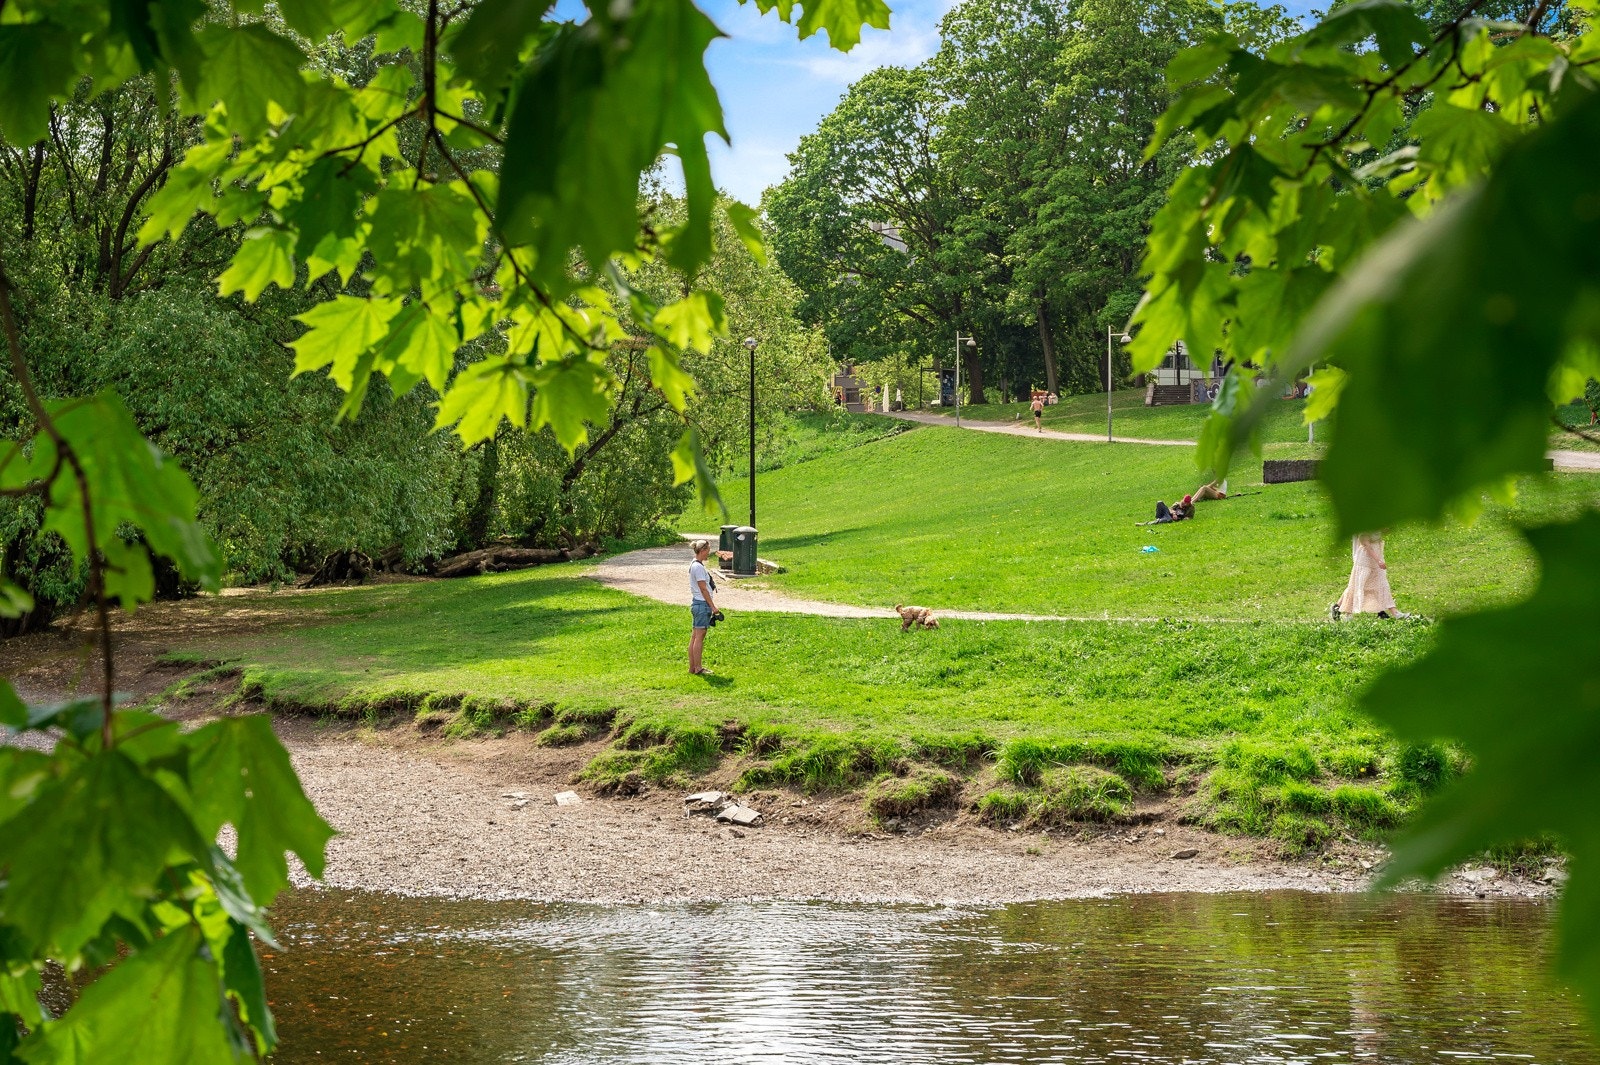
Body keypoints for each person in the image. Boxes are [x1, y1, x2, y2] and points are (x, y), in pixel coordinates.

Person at [1332, 531, 1406, 620]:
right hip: (1365, 560)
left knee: (1382, 585)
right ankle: (1344, 611)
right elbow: (1366, 545)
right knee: (1357, 586)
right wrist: (1378, 560)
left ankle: (1392, 612)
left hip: (1376, 558)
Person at [688, 540, 721, 674]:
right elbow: (703, 588)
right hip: (702, 604)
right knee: (699, 637)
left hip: (697, 603)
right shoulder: (698, 567)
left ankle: (692, 668)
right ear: (702, 550)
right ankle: (698, 668)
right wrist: (713, 607)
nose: (709, 552)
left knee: (695, 636)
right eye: (708, 550)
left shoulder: (694, 564)